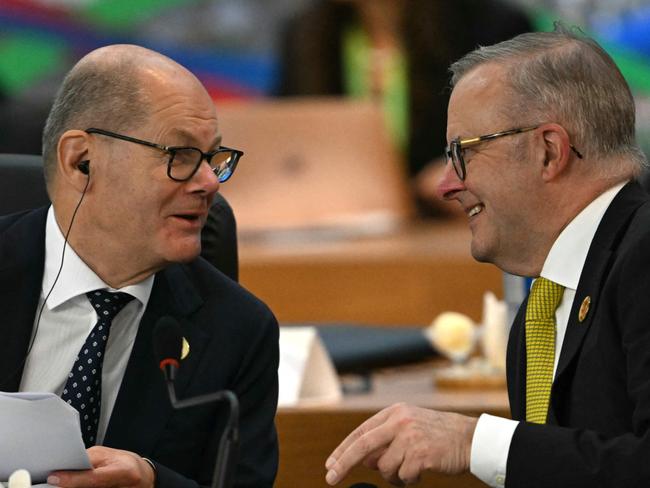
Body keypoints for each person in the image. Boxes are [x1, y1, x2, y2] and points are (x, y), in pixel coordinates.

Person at [324, 24, 650, 487]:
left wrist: (474, 442)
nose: (445, 184)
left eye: (463, 152)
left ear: (549, 150)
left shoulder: (643, 257)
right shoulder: (541, 311)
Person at [0, 45, 279, 487]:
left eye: (213, 158)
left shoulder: (238, 330)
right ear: (81, 162)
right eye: (180, 156)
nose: (208, 182)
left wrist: (153, 483)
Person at [277, 0, 533, 216]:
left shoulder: (489, 27)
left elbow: (524, 140)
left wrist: (465, 171)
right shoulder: (303, 35)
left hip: (455, 231)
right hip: (338, 232)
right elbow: (280, 147)